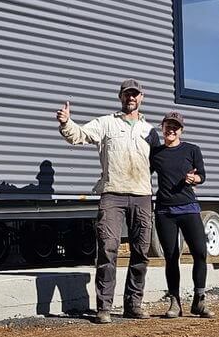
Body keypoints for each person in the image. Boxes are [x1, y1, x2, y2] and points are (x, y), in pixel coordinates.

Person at [56, 79, 158, 324]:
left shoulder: (150, 131)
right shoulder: (106, 123)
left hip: (142, 195)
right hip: (112, 194)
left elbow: (158, 162)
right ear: (120, 97)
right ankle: (104, 307)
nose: (131, 98)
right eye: (127, 94)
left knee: (141, 251)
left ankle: (134, 305)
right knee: (108, 249)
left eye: (135, 94)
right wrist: (66, 123)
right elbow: (79, 135)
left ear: (141, 97)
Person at [150, 111, 214, 319]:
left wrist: (195, 179)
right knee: (171, 257)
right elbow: (143, 174)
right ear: (162, 128)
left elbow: (202, 175)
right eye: (168, 126)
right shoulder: (155, 153)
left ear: (181, 130)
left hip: (189, 208)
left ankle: (199, 300)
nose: (171, 130)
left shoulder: (192, 150)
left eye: (175, 127)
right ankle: (174, 302)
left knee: (200, 253)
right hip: (165, 211)